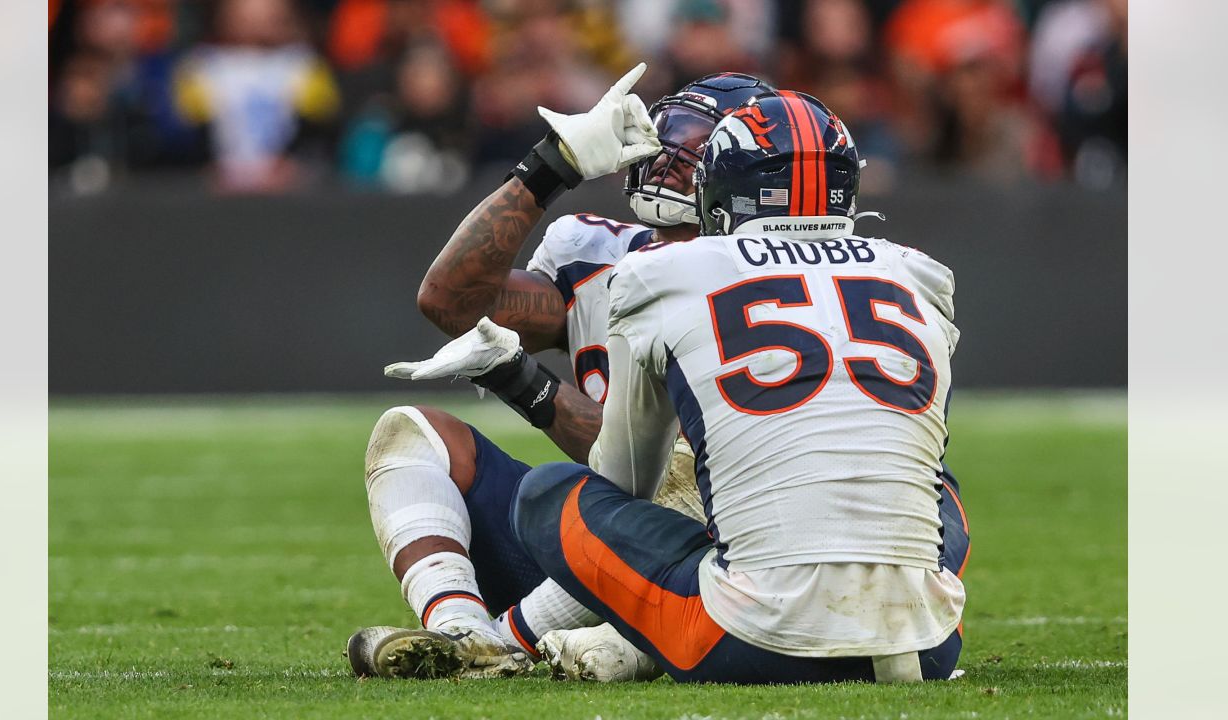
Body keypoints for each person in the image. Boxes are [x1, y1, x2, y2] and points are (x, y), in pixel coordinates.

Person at [460, 90, 969, 683]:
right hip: (927, 647)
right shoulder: (917, 270)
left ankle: (604, 640)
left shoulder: (663, 273)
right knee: (939, 483)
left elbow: (624, 482)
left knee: (550, 493)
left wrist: (525, 385)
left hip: (748, 642)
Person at [347, 64, 776, 680]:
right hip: (589, 548)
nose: (666, 163)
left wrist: (524, 384)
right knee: (413, 433)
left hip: (707, 561)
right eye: (669, 139)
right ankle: (457, 628)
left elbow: (665, 476)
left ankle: (495, 645)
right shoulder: (600, 251)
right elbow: (449, 301)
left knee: (664, 493)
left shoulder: (766, 288)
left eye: (695, 151)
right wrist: (552, 165)